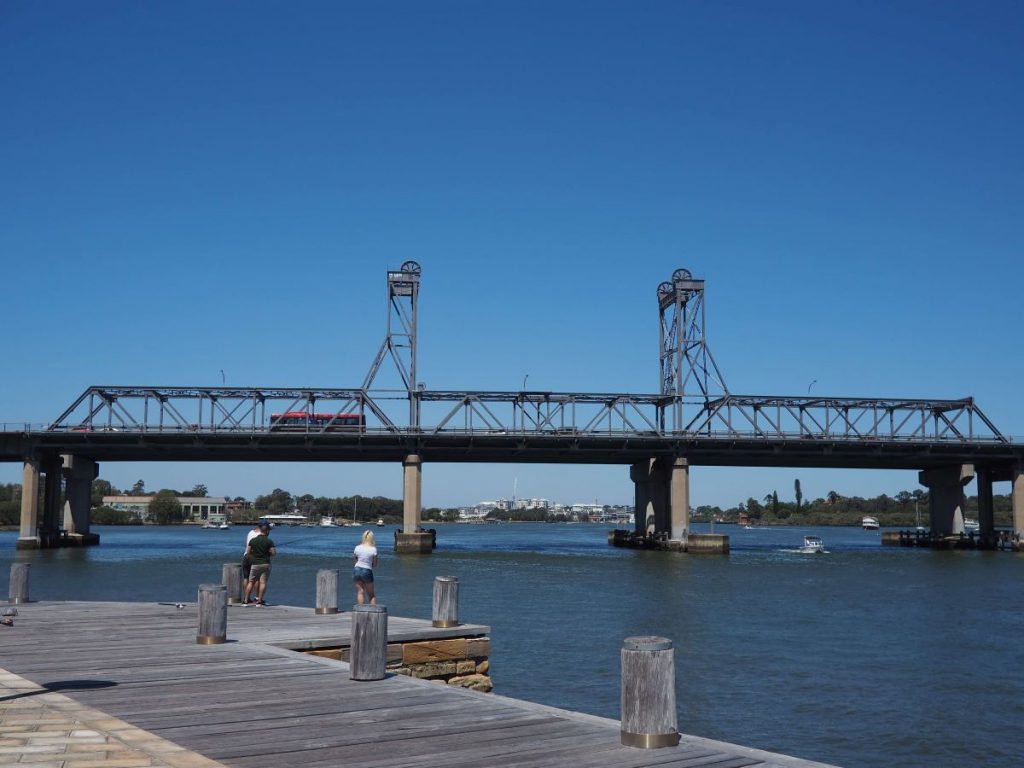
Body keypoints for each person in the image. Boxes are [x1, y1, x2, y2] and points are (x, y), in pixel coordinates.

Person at [243, 522, 276, 606]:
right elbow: (273, 553)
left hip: (254, 564)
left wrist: (253, 557)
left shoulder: (252, 540)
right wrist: (268, 552)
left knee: (251, 581)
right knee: (263, 582)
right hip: (265, 563)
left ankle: (245, 600)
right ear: (267, 531)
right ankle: (259, 600)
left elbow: (248, 552)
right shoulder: (269, 541)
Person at [352, 529, 379, 605]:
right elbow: (375, 564)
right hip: (367, 570)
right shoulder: (373, 549)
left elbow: (354, 560)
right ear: (372, 538)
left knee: (360, 592)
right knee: (371, 594)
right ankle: (373, 613)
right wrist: (370, 566)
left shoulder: (357, 547)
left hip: (356, 569)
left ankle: (361, 612)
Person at [240, 521, 262, 589]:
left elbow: (247, 544)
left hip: (246, 556)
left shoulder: (250, 532)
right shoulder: (261, 535)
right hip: (254, 557)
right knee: (256, 579)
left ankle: (246, 597)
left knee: (246, 578)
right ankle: (257, 597)